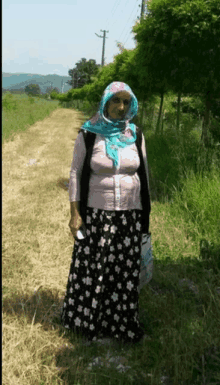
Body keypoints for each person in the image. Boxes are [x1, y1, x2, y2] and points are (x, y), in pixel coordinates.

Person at [61, 81, 151, 345]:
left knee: (123, 271)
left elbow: (144, 175)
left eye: (125, 102)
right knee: (95, 270)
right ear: (105, 102)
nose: (120, 107)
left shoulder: (135, 135)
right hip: (98, 215)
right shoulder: (89, 133)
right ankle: (89, 322)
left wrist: (145, 215)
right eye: (116, 101)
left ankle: (120, 324)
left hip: (129, 215)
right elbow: (76, 172)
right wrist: (75, 213)